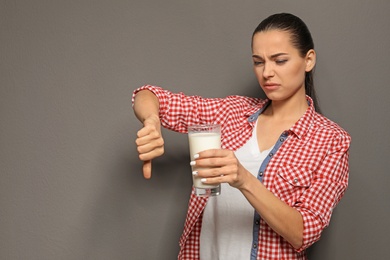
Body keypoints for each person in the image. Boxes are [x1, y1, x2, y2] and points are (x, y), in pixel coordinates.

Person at [132, 13, 351, 260]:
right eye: (258, 62)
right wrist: (151, 121)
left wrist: (244, 179)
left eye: (279, 61)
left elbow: (303, 232)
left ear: (308, 60)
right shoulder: (232, 112)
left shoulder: (331, 140)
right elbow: (150, 96)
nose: (267, 72)